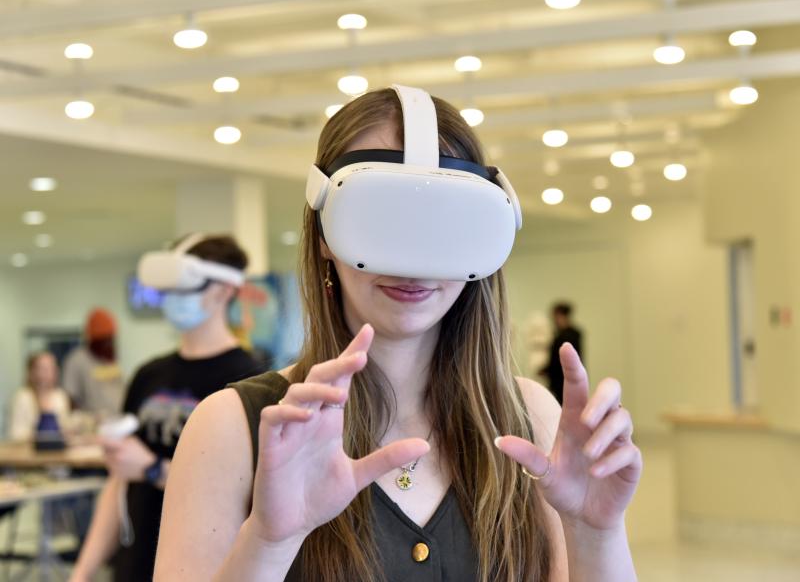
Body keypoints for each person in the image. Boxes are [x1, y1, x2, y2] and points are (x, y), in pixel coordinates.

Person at [155, 87, 641, 581]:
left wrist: (595, 533)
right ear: (324, 231)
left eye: (444, 225)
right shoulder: (232, 429)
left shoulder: (529, 419)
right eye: (380, 218)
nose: (413, 263)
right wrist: (268, 542)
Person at [69, 235, 265, 582]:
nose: (172, 300)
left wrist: (152, 469)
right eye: (168, 290)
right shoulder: (149, 375)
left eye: (183, 289)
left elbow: (247, 492)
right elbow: (119, 481)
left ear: (222, 291)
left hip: (205, 565)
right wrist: (83, 571)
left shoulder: (250, 379)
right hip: (136, 560)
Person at [62, 308, 125, 418]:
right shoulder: (77, 360)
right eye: (104, 341)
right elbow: (70, 398)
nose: (109, 345)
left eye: (110, 340)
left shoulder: (110, 360)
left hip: (117, 422)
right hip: (92, 428)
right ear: (93, 341)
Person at [9, 352, 70, 442]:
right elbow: (15, 434)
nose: (47, 373)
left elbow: (65, 427)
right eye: (42, 368)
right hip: (28, 452)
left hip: (56, 452)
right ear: (32, 372)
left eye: (51, 368)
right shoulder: (23, 397)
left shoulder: (60, 396)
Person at [540, 302, 584, 405]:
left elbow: (557, 360)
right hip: (569, 379)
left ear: (560, 315)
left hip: (561, 382)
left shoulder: (564, 336)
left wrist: (547, 370)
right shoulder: (574, 334)